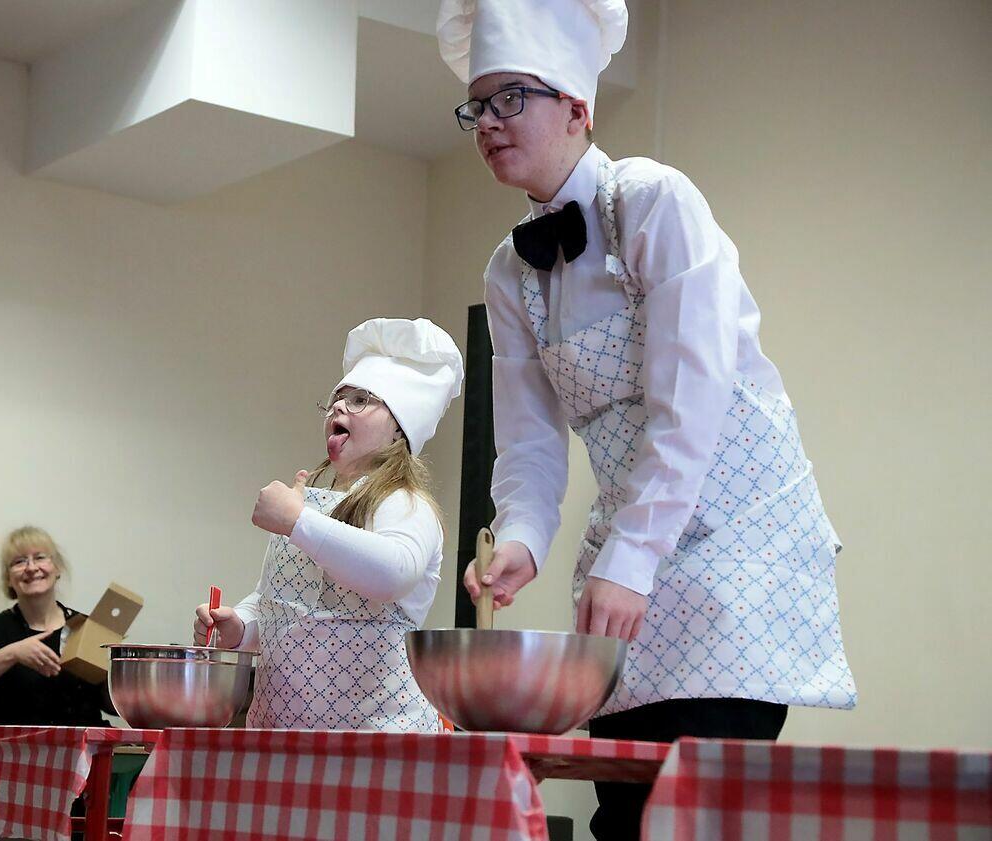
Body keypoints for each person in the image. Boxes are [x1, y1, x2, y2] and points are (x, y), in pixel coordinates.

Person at [436, 1, 857, 837]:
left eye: (511, 97)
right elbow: (528, 440)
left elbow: (691, 397)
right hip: (635, 546)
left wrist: (631, 555)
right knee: (623, 809)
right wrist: (520, 537)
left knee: (701, 811)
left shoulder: (654, 201)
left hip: (736, 543)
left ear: (577, 108)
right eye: (477, 105)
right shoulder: (507, 273)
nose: (487, 122)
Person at [193, 318, 464, 731]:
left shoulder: (406, 503)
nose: (338, 407)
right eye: (337, 398)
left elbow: (393, 573)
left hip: (378, 740)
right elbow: (281, 604)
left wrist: (296, 521)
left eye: (360, 400)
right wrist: (240, 627)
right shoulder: (310, 503)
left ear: (398, 428)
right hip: (283, 737)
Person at [0, 525, 112, 726]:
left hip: (84, 743)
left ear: (57, 568)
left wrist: (119, 674)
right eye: (19, 561)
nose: (31, 568)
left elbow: (112, 706)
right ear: (8, 579)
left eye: (40, 557)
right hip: (21, 743)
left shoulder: (85, 626)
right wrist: (13, 653)